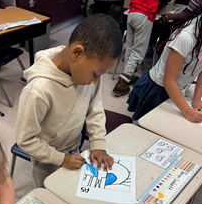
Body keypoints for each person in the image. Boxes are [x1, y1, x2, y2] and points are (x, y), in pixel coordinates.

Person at [16, 14, 122, 188]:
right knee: (52, 197)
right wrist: (60, 158)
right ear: (77, 53)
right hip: (47, 161)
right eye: (95, 74)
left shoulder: (89, 76)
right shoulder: (38, 91)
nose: (96, 81)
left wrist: (98, 144)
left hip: (74, 150)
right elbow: (26, 140)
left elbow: (95, 109)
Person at [126, 0, 202, 122]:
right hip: (158, 88)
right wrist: (187, 111)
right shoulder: (186, 37)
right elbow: (169, 80)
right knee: (147, 126)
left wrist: (197, 99)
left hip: (179, 89)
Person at [113, 0, 171, 97]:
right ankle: (122, 81)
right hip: (145, 14)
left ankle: (128, 75)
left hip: (132, 12)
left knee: (130, 47)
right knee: (139, 51)